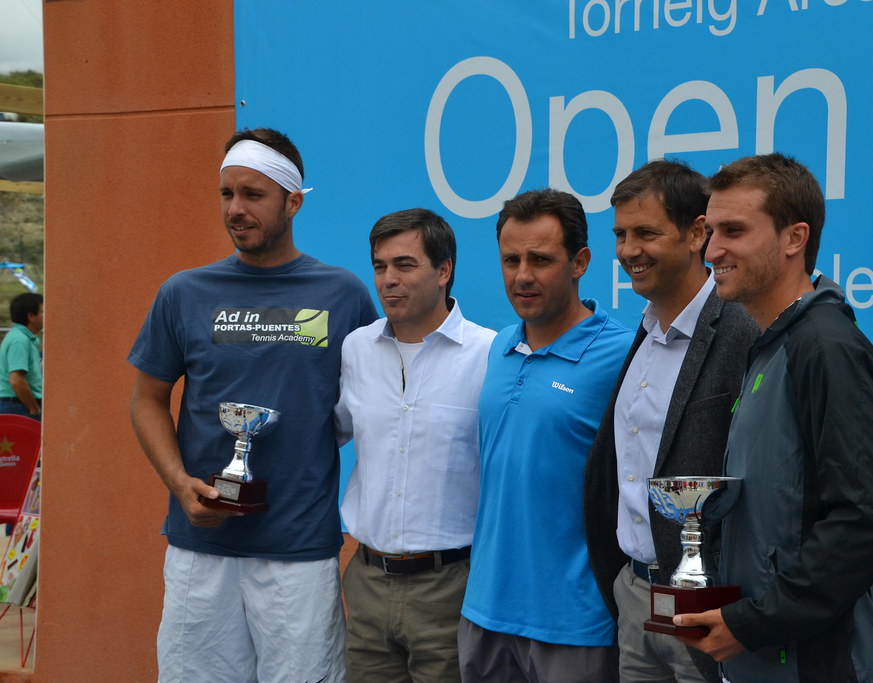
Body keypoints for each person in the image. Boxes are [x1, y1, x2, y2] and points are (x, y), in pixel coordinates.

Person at [128, 128, 377, 683]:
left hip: (299, 550)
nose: (236, 209)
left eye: (253, 195)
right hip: (201, 548)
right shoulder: (184, 292)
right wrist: (179, 484)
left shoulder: (343, 295)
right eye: (227, 194)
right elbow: (147, 400)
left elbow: (371, 409)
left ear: (293, 202)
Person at [676, 153, 873, 682]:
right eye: (711, 232)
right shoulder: (771, 347)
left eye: (734, 231)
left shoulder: (826, 348)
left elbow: (867, 521)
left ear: (795, 238)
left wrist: (753, 623)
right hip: (769, 657)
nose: (712, 250)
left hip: (832, 662)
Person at [583, 160, 758, 683]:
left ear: (697, 233)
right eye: (620, 235)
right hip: (635, 596)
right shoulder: (643, 332)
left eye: (646, 233)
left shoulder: (742, 329)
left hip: (711, 607)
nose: (628, 250)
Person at [458, 188, 633, 683]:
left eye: (540, 259)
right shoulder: (500, 346)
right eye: (510, 260)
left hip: (575, 621)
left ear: (580, 262)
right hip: (484, 612)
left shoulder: (623, 354)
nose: (522, 275)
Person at [335, 208, 495, 682]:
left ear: (444, 271)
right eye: (380, 266)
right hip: (366, 581)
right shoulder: (355, 350)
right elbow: (331, 432)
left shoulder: (490, 354)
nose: (389, 279)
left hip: (451, 586)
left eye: (404, 265)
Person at [0, 292, 43, 420]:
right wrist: (33, 408)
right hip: (18, 405)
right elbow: (16, 380)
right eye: (42, 312)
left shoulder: (25, 338)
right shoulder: (19, 340)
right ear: (31, 316)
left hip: (20, 403)